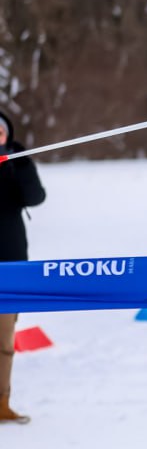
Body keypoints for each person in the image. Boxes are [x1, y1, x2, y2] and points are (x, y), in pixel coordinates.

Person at [0, 110, 46, 425]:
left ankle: (1, 402)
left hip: (11, 265)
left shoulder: (17, 161)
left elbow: (35, 197)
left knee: (4, 342)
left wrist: (21, 163)